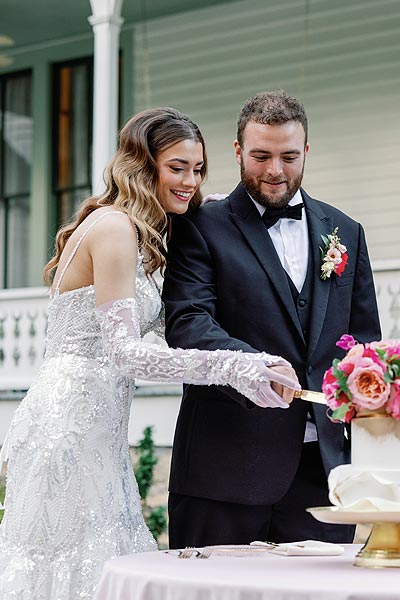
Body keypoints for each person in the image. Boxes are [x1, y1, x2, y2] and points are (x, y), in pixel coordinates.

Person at [0, 107, 299, 600]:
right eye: (176, 167)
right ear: (143, 165)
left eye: (198, 169)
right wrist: (235, 365)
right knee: (68, 562)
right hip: (72, 421)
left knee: (98, 555)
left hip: (102, 422)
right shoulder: (115, 228)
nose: (190, 180)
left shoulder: (146, 234)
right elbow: (127, 354)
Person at [162, 91, 381, 548]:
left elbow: (362, 344)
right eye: (260, 156)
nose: (275, 171)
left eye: (289, 156)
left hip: (322, 478)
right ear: (238, 151)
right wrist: (254, 366)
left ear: (307, 152)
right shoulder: (199, 225)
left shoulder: (346, 231)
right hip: (223, 471)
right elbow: (188, 321)